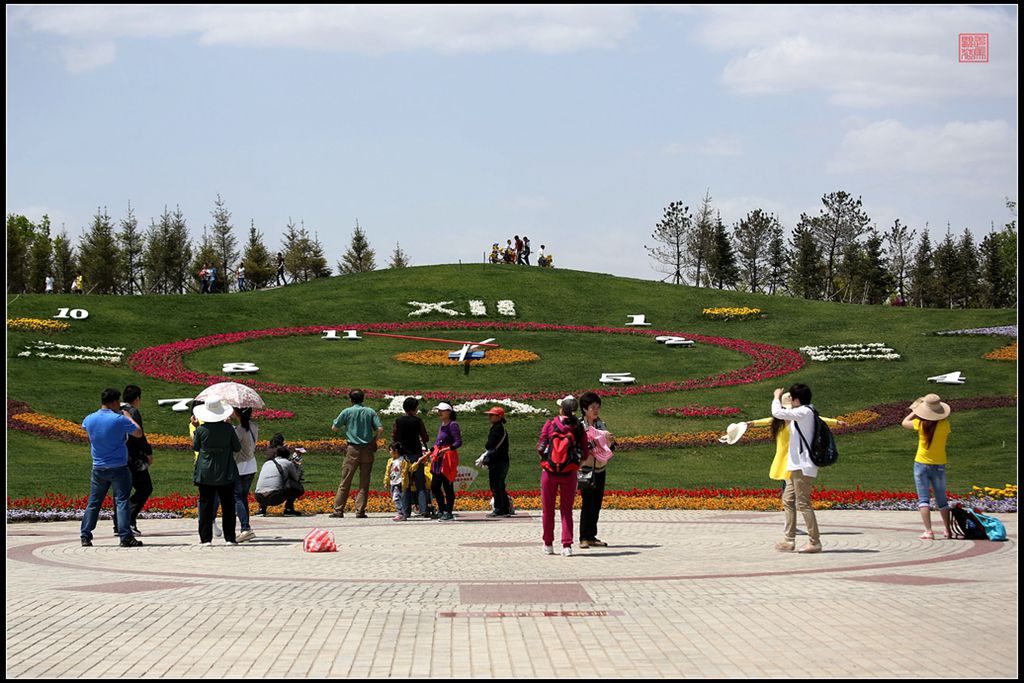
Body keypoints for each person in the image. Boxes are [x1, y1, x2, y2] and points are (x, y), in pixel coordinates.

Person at [745, 392, 845, 500]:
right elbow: (766, 421)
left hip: (797, 454)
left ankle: (792, 499)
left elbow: (818, 419)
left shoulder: (799, 418)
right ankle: (790, 500)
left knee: (791, 477)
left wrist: (836, 422)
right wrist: (752, 423)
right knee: (787, 477)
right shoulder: (778, 421)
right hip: (784, 455)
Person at [80, 388, 144, 548]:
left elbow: (90, 439)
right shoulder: (119, 419)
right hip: (119, 467)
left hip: (98, 466)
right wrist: (129, 417)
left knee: (94, 502)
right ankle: (125, 536)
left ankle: (85, 535)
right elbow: (138, 433)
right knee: (121, 501)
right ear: (115, 402)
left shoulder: (89, 419)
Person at [770, 384, 823, 554]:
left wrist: (776, 397)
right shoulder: (805, 412)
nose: (790, 401)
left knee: (803, 503)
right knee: (788, 500)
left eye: (791, 398)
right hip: (795, 466)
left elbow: (777, 413)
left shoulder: (805, 412)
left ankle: (814, 542)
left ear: (797, 400)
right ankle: (789, 539)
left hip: (803, 465)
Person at [537, 395, 588, 557]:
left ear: (561, 409)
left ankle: (548, 544)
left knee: (548, 510)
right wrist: (576, 465)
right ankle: (567, 545)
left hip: (549, 472)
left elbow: (540, 447)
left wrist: (547, 461)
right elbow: (585, 452)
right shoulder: (579, 427)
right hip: (570, 473)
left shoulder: (551, 424)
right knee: (566, 510)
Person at [901, 394, 953, 540]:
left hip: (921, 464)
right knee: (942, 500)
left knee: (924, 499)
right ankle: (948, 530)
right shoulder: (945, 425)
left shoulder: (920, 423)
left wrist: (915, 410)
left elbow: (904, 422)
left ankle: (929, 531)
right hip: (939, 464)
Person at [191, 399, 241, 546]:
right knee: (228, 505)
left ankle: (206, 538)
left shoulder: (201, 430)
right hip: (225, 470)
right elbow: (237, 447)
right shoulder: (228, 428)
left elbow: (196, 447)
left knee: (206, 504)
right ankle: (230, 538)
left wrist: (196, 428)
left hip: (206, 471)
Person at [330, 390, 384, 518]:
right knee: (364, 481)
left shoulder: (347, 411)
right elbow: (380, 429)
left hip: (352, 449)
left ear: (351, 399)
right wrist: (374, 440)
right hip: (367, 448)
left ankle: (338, 509)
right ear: (363, 398)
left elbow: (334, 427)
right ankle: (360, 510)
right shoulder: (370, 411)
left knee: (346, 479)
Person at [111, 385, 153, 538]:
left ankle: (118, 524)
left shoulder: (115, 409)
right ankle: (127, 519)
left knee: (120, 491)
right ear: (137, 398)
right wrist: (148, 452)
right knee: (145, 488)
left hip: (116, 456)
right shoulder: (132, 411)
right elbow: (138, 434)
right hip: (133, 457)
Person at [578, 392, 615, 548]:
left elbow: (611, 445)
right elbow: (578, 447)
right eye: (592, 407)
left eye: (597, 407)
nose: (596, 410)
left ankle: (592, 535)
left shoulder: (601, 425)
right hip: (586, 468)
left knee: (597, 503)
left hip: (601, 468)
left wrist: (610, 442)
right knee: (588, 502)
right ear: (585, 409)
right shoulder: (580, 426)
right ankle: (583, 537)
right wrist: (593, 444)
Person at [392, 397, 432, 518]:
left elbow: (394, 436)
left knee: (405, 484)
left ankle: (406, 511)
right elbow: (425, 438)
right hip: (416, 454)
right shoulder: (418, 421)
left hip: (403, 456)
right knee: (420, 483)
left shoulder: (398, 421)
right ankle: (424, 509)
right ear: (415, 409)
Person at [255, 434, 304, 516]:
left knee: (268, 481)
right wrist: (297, 466)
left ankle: (261, 509)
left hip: (259, 497)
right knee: (296, 486)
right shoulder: (287, 463)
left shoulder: (266, 463)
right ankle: (289, 509)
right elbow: (296, 478)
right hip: (275, 497)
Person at [428, 401, 461, 521]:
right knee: (435, 486)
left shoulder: (453, 425)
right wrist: (430, 451)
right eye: (439, 410)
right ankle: (442, 509)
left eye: (442, 410)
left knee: (447, 486)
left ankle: (449, 512)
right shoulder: (442, 424)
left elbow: (458, 442)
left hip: (447, 459)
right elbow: (438, 442)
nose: (439, 412)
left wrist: (446, 449)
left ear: (449, 412)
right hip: (438, 458)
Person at [477, 406, 511, 517]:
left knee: (495, 485)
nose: (489, 416)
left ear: (499, 417)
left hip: (497, 462)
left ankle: (499, 508)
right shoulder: (501, 428)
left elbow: (489, 444)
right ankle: (505, 507)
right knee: (500, 485)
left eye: (492, 415)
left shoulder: (497, 428)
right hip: (503, 461)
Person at [232, 407, 259, 542]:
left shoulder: (239, 430)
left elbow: (234, 447)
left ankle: (245, 528)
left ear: (237, 412)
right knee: (242, 498)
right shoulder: (253, 426)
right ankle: (246, 528)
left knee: (238, 497)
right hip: (251, 465)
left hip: (240, 466)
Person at [383, 442, 411, 521]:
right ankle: (402, 513)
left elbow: (410, 468)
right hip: (393, 482)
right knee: (396, 498)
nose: (390, 452)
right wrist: (386, 481)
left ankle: (401, 513)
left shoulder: (403, 460)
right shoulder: (390, 461)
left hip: (399, 482)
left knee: (396, 498)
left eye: (390, 450)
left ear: (396, 451)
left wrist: (417, 463)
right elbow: (388, 472)